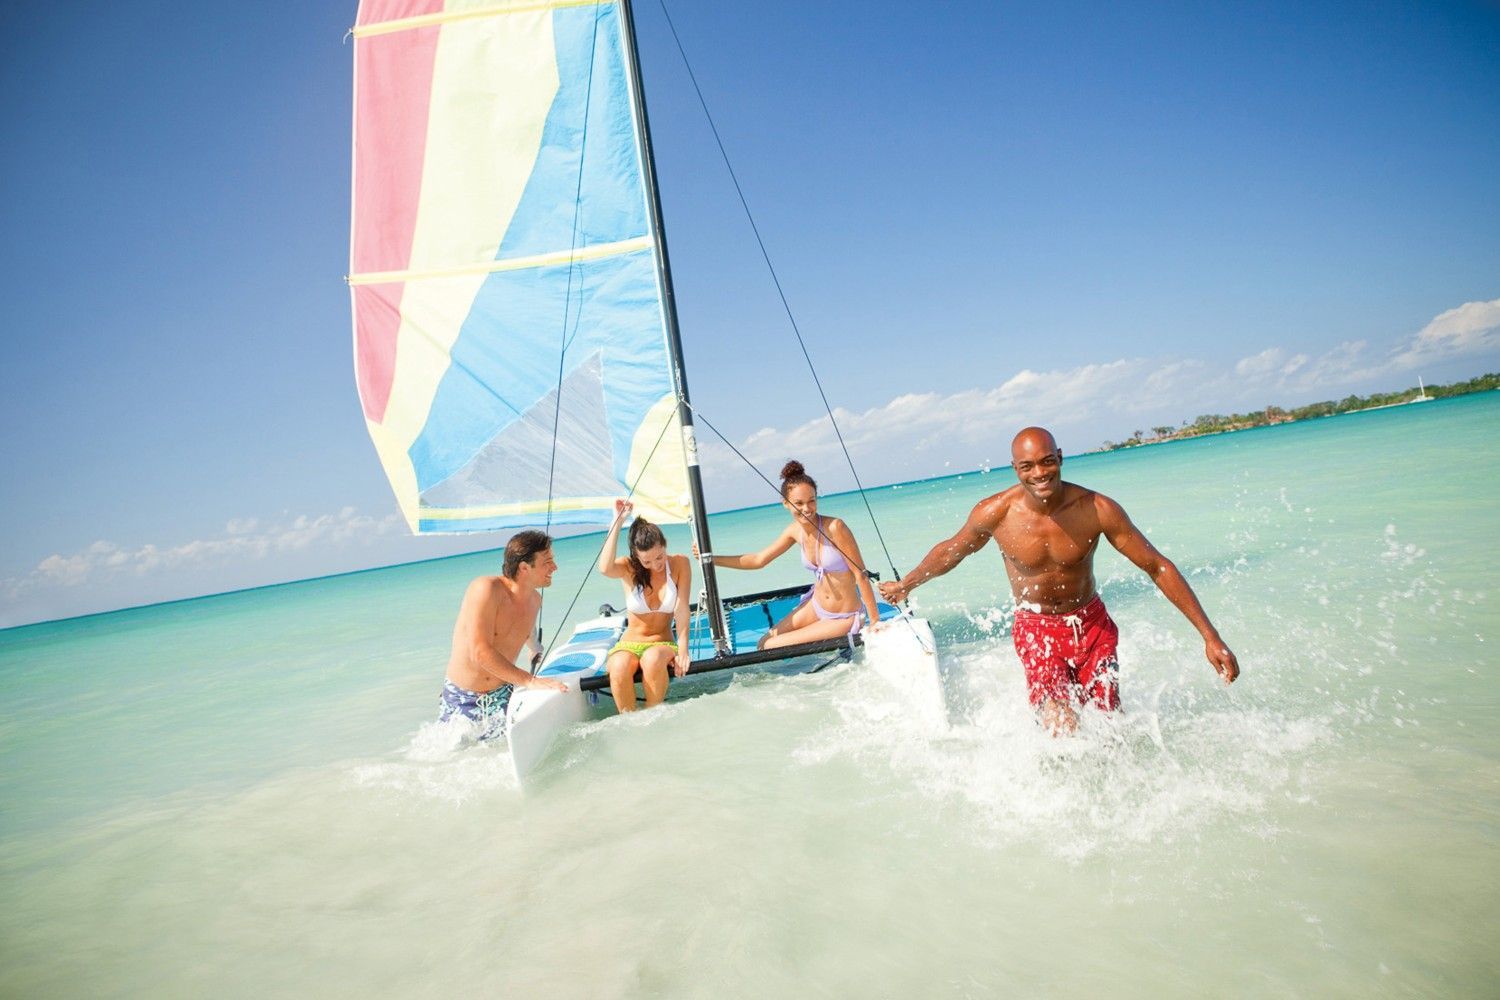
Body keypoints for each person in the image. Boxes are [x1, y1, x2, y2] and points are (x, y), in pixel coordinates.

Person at [879, 427, 1239, 735]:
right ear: (1015, 469)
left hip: (1092, 626)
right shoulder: (997, 512)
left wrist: (1210, 637)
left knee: (1109, 725)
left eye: (1047, 461)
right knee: (1062, 726)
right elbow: (950, 551)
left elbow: (1157, 566)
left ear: (1061, 457)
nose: (1040, 472)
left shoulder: (1097, 509)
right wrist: (907, 584)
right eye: (1028, 466)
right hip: (1036, 628)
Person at [713, 460, 882, 649]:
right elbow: (759, 560)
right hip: (816, 605)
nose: (807, 509)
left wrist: (875, 620)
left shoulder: (835, 527)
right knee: (762, 643)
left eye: (812, 501)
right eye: (799, 503)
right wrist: (711, 560)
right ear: (785, 503)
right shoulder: (794, 531)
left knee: (771, 646)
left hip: (843, 616)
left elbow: (860, 574)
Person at [438, 529, 569, 739]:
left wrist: (534, 646)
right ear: (524, 567)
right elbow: (479, 653)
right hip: (462, 697)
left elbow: (523, 627)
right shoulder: (486, 589)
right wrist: (529, 681)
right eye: (547, 562)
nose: (555, 567)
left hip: (502, 695)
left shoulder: (535, 601)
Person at [598, 500, 693, 712]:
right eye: (647, 562)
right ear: (636, 557)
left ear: (665, 545)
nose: (656, 565)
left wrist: (683, 650)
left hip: (662, 644)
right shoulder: (628, 568)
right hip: (628, 644)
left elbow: (682, 608)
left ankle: (653, 716)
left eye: (659, 557)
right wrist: (617, 521)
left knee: (651, 659)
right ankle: (628, 723)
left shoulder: (680, 564)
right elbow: (604, 568)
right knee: (620, 665)